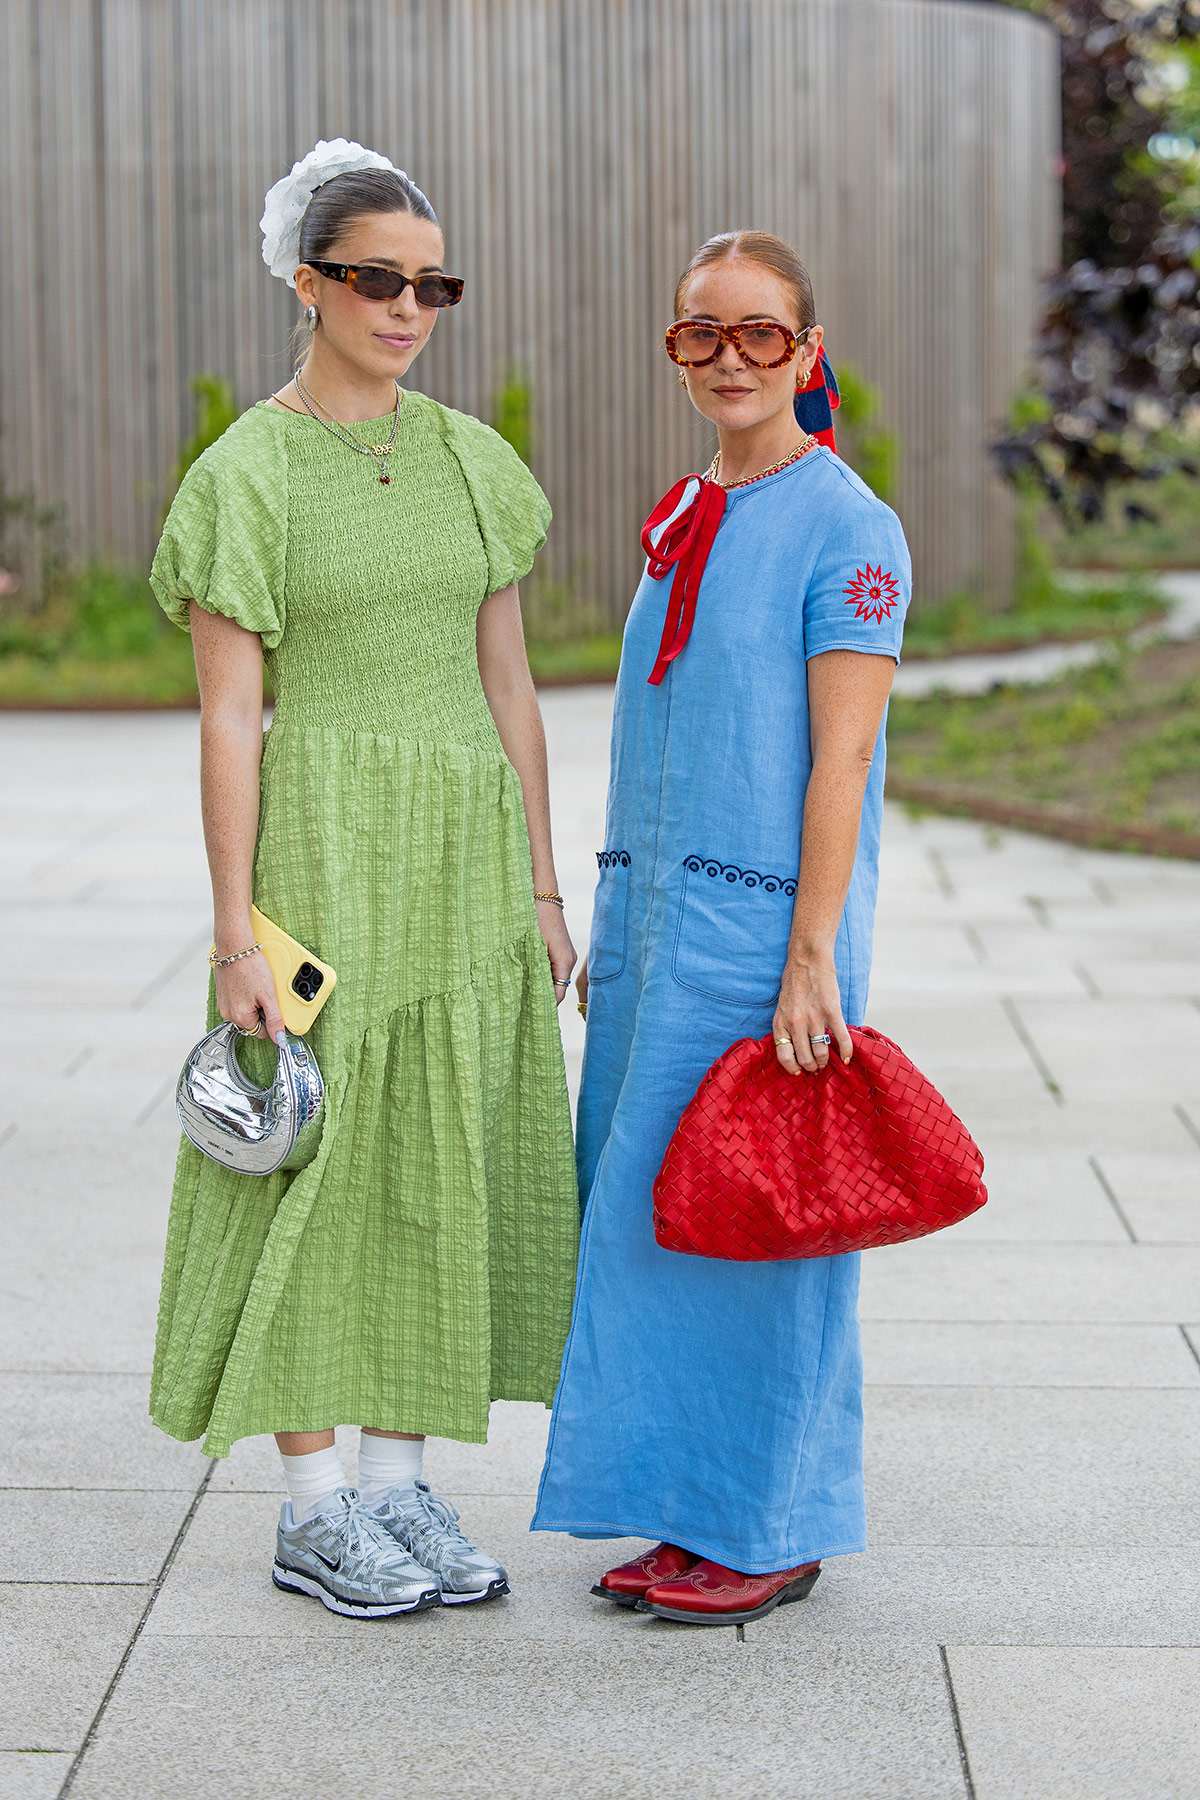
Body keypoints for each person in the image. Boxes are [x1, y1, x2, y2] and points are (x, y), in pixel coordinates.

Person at [148, 139, 580, 1620]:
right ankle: (311, 1505)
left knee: (435, 1150)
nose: (407, 308)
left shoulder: (471, 459)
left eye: (431, 286)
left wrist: (538, 881)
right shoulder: (247, 473)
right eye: (376, 281)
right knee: (317, 1160)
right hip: (327, 835)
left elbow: (511, 683)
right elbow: (225, 714)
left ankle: (399, 1488)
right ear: (306, 281)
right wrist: (230, 935)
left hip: (464, 848)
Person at [530, 230, 912, 1627]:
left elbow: (841, 762)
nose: (733, 357)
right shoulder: (687, 511)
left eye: (762, 333)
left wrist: (814, 954)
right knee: (648, 1224)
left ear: (807, 353)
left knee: (763, 1227)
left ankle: (775, 1522)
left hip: (764, 948)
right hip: (656, 936)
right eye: (704, 333)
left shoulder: (849, 525)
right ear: (676, 349)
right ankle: (690, 1508)